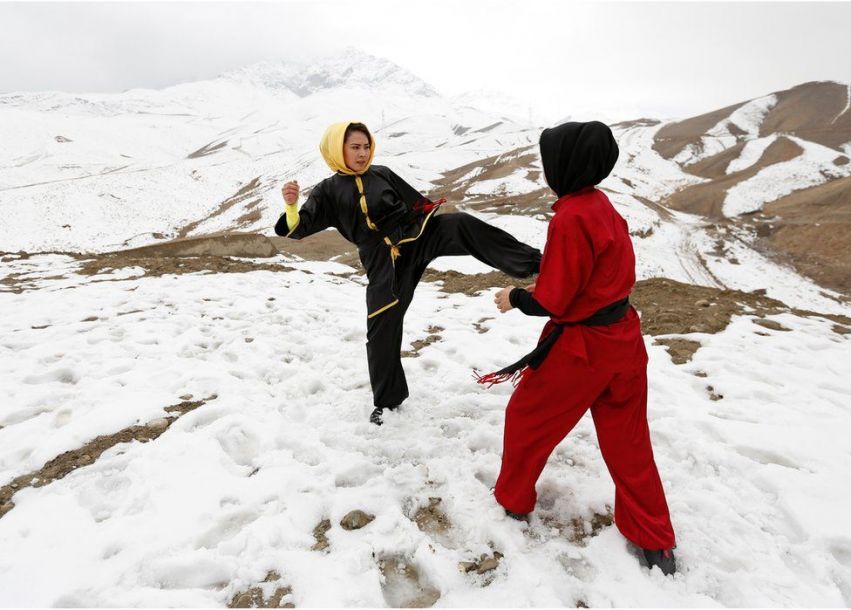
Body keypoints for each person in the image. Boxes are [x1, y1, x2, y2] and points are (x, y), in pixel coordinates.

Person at [478, 121, 677, 575]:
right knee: (629, 442)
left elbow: (554, 300)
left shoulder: (570, 216)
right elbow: (594, 275)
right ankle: (655, 541)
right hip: (624, 340)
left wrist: (516, 298)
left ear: (565, 165)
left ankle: (512, 501)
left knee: (527, 418)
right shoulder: (602, 205)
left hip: (580, 350)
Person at [276, 121, 542, 425]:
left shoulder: (382, 174)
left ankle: (538, 265)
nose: (363, 154)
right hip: (383, 260)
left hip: (415, 237)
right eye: (355, 147)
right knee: (381, 329)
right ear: (338, 150)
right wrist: (292, 205)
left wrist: (427, 220)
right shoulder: (327, 191)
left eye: (366, 146)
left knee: (460, 224)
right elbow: (297, 228)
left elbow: (416, 203)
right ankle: (387, 402)